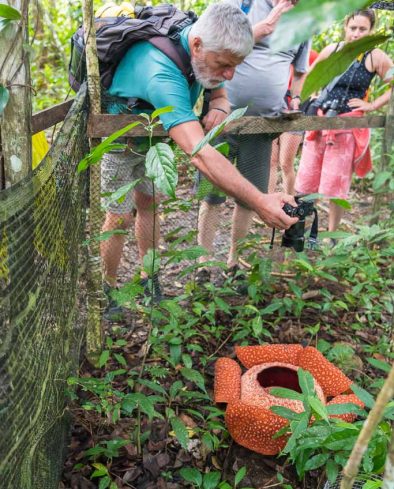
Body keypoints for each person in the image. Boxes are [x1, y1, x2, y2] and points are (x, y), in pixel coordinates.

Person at [100, 2, 298, 310]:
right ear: (197, 45)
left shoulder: (200, 48)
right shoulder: (161, 72)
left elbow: (216, 86)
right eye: (223, 65)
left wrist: (219, 101)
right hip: (119, 140)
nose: (229, 75)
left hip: (154, 138)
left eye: (236, 65)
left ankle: (148, 276)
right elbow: (200, 154)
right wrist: (260, 201)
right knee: (120, 216)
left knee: (149, 204)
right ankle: (108, 289)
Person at [196, 0, 310, 278]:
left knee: (251, 199)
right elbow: (211, 45)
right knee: (211, 196)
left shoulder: (305, 20)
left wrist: (294, 98)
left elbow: (301, 69)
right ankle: (202, 266)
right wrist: (265, 25)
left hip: (263, 127)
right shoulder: (241, 5)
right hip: (222, 120)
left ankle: (233, 263)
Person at [295, 9, 393, 237]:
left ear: (371, 31)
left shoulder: (374, 55)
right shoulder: (333, 50)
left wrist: (373, 105)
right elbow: (309, 74)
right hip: (321, 121)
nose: (357, 34)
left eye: (362, 29)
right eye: (353, 28)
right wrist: (313, 94)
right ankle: (298, 228)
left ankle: (330, 236)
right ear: (345, 28)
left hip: (346, 128)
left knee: (335, 186)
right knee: (306, 178)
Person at [268, 49, 319, 195]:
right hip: (274, 106)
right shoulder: (276, 50)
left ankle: (289, 205)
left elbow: (317, 80)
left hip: (296, 109)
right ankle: (268, 204)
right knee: (270, 161)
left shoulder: (312, 55)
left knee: (285, 163)